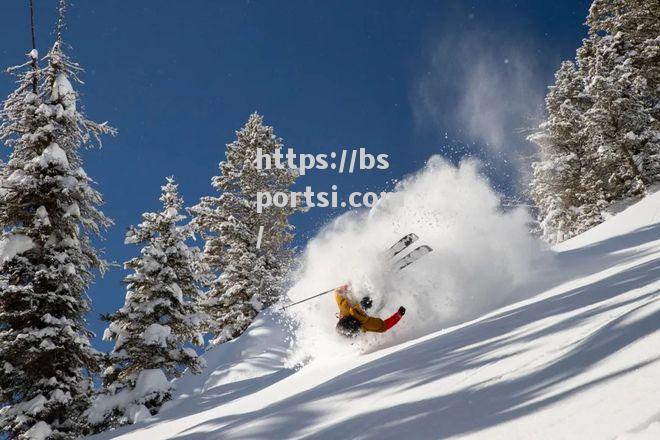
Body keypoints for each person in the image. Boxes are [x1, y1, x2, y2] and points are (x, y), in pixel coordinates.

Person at [334, 283, 406, 337]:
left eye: (341, 317)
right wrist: (398, 315)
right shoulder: (366, 324)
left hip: (355, 313)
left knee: (360, 301)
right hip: (360, 319)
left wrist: (344, 288)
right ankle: (377, 297)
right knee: (371, 304)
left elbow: (338, 293)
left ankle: (366, 299)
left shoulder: (345, 308)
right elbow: (384, 326)